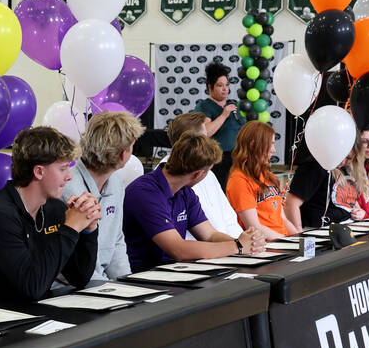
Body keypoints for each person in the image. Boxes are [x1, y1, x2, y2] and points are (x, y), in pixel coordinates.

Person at [0, 127, 101, 308]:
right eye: (63, 169)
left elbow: (79, 277)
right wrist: (69, 229)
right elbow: (31, 287)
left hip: (23, 314)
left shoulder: (53, 209)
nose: (69, 177)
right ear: (39, 172)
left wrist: (88, 230)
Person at [123, 133, 264, 271]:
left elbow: (210, 235)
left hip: (173, 272)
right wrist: (238, 246)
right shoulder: (145, 192)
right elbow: (178, 249)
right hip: (145, 276)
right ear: (198, 174)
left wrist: (246, 243)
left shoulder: (185, 192)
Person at [62, 111, 146, 282]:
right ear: (123, 154)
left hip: (100, 284)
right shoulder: (70, 188)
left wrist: (127, 283)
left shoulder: (115, 182)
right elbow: (72, 266)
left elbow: (117, 241)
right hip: (71, 286)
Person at [166, 111, 243, 238]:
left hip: (224, 247)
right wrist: (236, 245)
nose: (209, 141)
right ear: (192, 141)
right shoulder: (171, 176)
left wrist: (243, 242)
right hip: (197, 252)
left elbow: (228, 217)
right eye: (205, 136)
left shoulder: (209, 174)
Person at [226, 121, 298, 239]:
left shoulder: (269, 176)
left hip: (283, 243)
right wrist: (289, 243)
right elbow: (254, 227)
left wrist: (300, 239)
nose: (274, 150)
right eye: (270, 144)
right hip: (265, 248)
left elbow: (283, 219)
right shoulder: (239, 180)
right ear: (253, 145)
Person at [286, 150, 364, 229]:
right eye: (340, 155)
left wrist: (359, 211)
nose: (343, 161)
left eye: (348, 158)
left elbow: (348, 199)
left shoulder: (347, 167)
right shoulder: (314, 166)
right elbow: (291, 204)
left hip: (348, 226)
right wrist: (299, 234)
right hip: (320, 229)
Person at [194, 63, 243, 183]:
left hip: (237, 158)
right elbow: (205, 132)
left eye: (227, 85)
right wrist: (224, 115)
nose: (225, 89)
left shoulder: (233, 104)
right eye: (220, 85)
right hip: (217, 160)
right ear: (210, 88)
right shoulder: (204, 106)